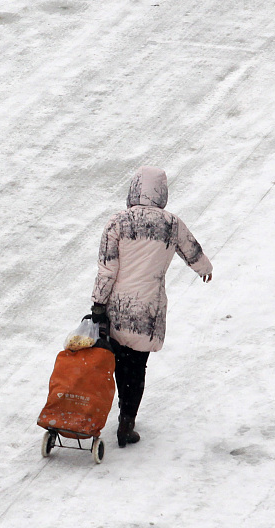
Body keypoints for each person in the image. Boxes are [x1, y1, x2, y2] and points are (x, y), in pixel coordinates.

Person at [91, 166, 213, 447]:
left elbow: (107, 268)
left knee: (118, 362)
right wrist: (204, 269)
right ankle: (127, 420)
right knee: (137, 365)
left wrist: (98, 303)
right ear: (162, 193)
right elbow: (191, 250)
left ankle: (115, 408)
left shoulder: (117, 222)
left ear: (134, 189)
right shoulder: (171, 224)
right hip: (149, 309)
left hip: (118, 306)